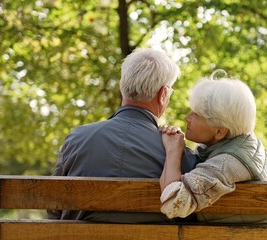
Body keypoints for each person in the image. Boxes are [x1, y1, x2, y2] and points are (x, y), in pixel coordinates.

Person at [48, 48, 198, 223]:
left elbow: (54, 205)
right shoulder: (176, 152)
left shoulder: (77, 138)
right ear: (163, 94)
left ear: (122, 86)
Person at [159, 73, 267, 224]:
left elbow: (174, 204)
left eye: (197, 114)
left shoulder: (229, 161)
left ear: (220, 131)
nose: (187, 118)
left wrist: (173, 150)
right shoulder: (240, 144)